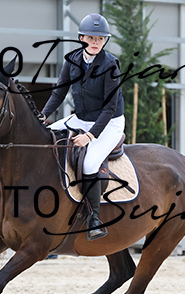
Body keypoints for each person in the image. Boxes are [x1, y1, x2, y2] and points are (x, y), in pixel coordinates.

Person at [40, 13, 125, 240]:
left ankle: (94, 219)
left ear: (105, 40)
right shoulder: (72, 61)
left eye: (100, 39)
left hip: (109, 122)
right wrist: (43, 115)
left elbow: (109, 108)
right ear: (81, 38)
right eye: (91, 38)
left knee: (89, 163)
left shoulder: (111, 64)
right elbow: (59, 93)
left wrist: (89, 136)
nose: (96, 42)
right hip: (81, 118)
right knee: (46, 134)